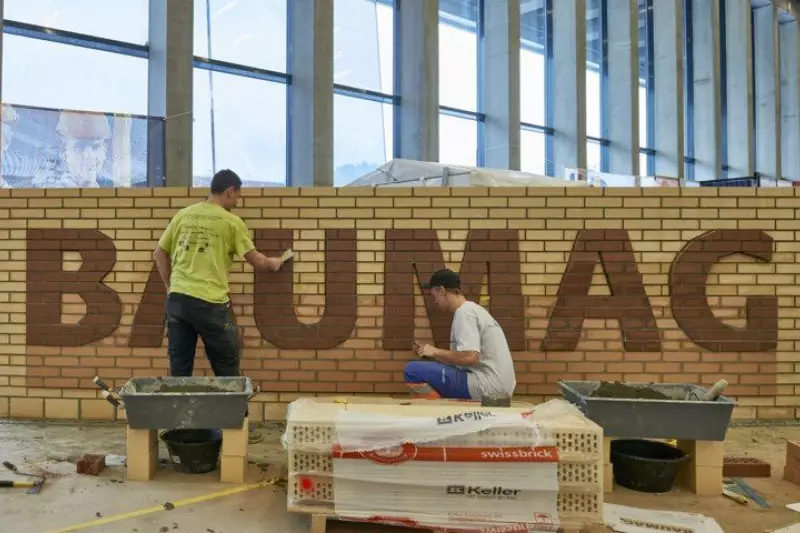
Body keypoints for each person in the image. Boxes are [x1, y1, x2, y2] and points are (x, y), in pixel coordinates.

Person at [154, 169, 287, 443]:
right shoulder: (231, 222)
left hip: (177, 302)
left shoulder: (184, 214)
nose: (238, 201)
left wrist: (170, 286)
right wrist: (275, 263)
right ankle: (235, 430)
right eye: (238, 195)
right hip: (211, 303)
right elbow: (258, 261)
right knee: (227, 366)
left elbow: (159, 252)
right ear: (230, 191)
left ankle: (183, 429)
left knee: (180, 370)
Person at [404, 269, 516, 403]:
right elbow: (462, 361)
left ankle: (437, 415)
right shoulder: (474, 310)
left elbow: (470, 357)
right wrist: (432, 354)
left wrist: (435, 351)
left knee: (413, 370)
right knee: (426, 365)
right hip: (498, 385)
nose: (435, 302)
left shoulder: (464, 313)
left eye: (434, 296)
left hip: (488, 386)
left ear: (441, 290)